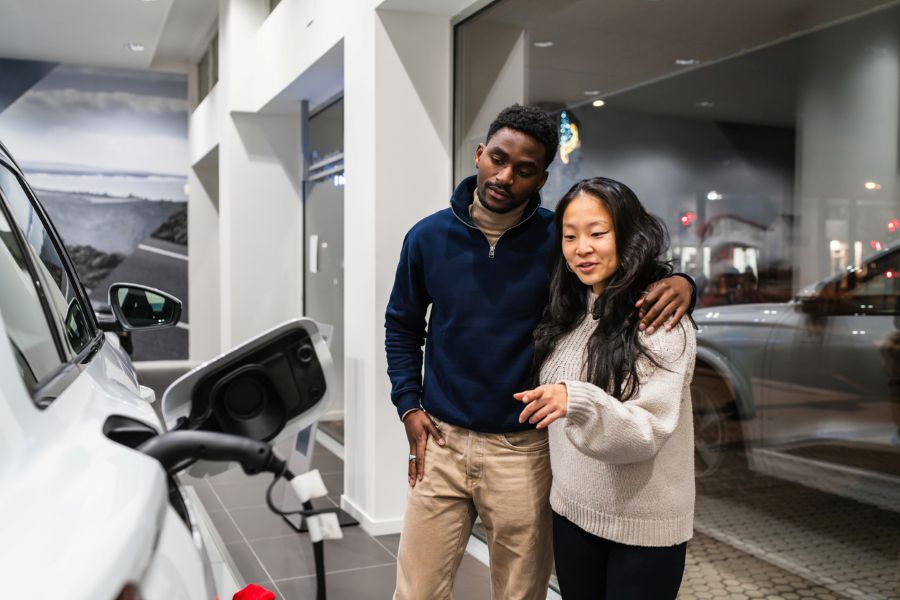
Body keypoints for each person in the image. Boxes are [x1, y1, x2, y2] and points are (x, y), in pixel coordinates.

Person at [385, 105, 695, 600]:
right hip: (441, 440)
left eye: (524, 170)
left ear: (541, 179)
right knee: (416, 590)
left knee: (520, 594)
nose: (505, 176)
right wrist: (408, 403)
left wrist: (682, 282)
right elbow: (402, 325)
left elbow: (621, 265)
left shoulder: (557, 238)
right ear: (480, 154)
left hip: (524, 450)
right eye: (498, 159)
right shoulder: (427, 237)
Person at [516, 177, 696, 599]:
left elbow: (645, 433)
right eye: (570, 236)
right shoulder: (570, 312)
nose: (582, 248)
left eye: (598, 233)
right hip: (572, 512)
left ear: (629, 234)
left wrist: (575, 400)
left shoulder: (661, 320)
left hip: (641, 527)